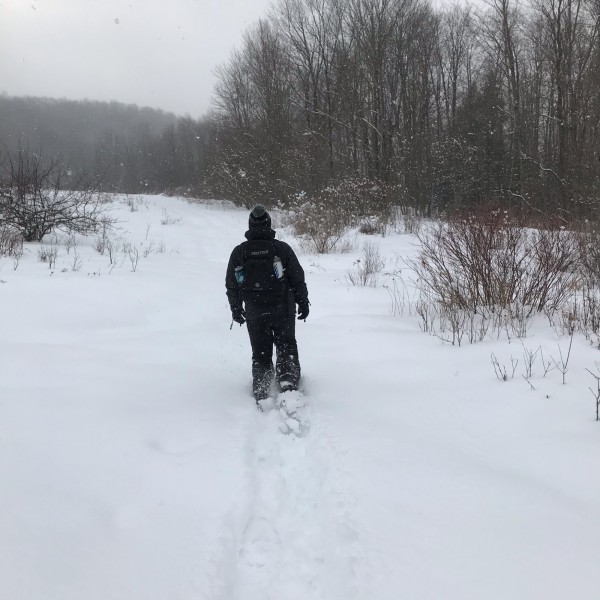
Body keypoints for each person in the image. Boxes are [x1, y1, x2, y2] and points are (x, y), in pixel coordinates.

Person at [226, 205, 309, 405]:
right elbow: (297, 278)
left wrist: (236, 309)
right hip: (283, 308)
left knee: (261, 352)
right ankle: (288, 379)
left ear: (250, 225)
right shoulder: (281, 249)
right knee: (286, 345)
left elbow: (232, 284)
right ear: (269, 224)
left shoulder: (240, 252)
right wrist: (303, 302)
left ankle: (262, 387)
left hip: (255, 311)